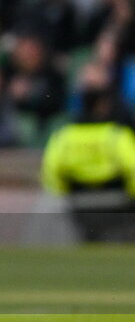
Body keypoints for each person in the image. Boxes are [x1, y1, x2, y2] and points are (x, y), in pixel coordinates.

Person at [41, 64, 135, 242]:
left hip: (79, 207)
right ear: (104, 104)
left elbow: (50, 175)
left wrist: (68, 193)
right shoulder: (117, 136)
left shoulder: (64, 137)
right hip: (118, 207)